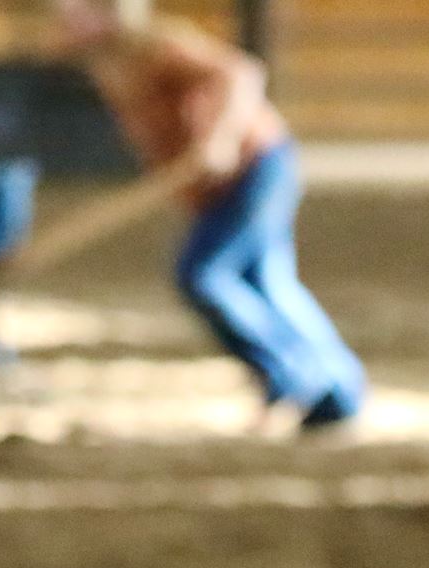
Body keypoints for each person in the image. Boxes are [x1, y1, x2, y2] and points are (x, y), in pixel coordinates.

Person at [52, 0, 366, 432]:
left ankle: (288, 377)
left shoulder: (159, 47)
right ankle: (338, 396)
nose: (63, 15)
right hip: (220, 188)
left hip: (255, 167)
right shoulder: (111, 67)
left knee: (203, 274)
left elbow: (240, 72)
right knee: (266, 282)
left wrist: (219, 138)